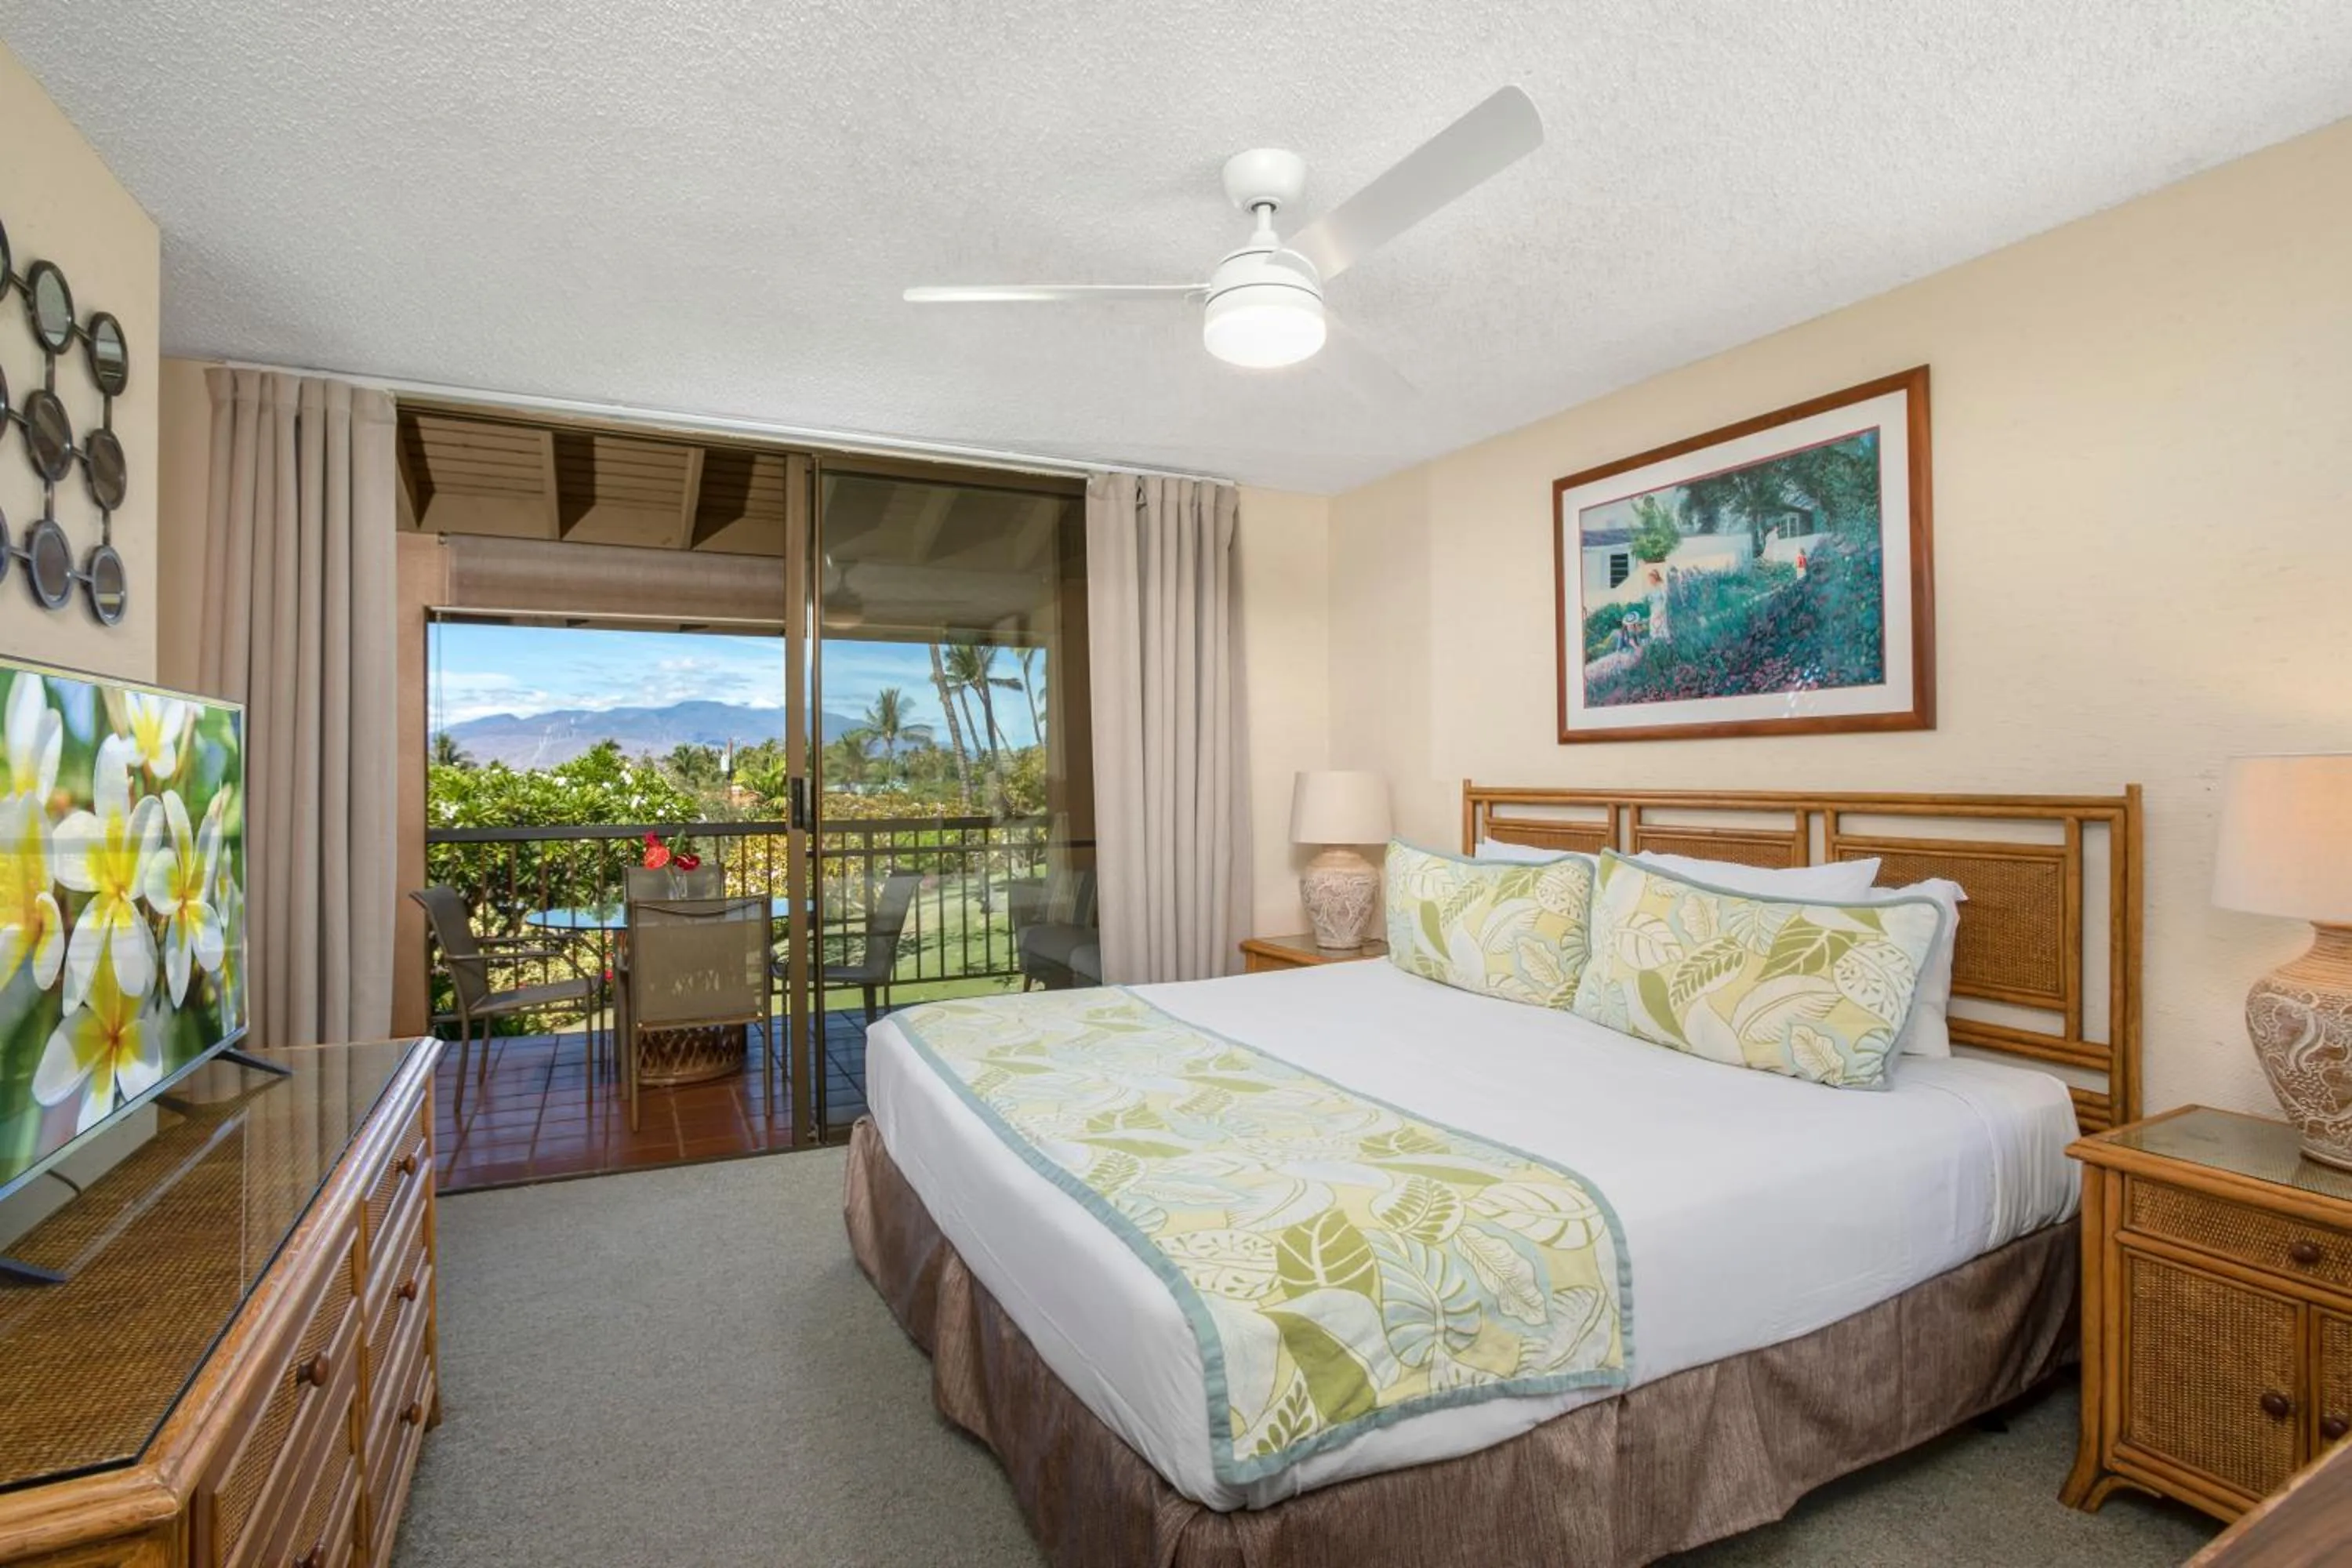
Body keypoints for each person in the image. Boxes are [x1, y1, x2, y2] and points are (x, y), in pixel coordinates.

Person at [1646, 566, 1671, 643]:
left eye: (1651, 579)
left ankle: (1667, 641)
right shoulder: (1651, 587)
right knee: (1653, 625)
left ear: (1655, 578)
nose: (1650, 581)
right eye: (1649, 579)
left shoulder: (1661, 585)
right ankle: (1655, 641)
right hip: (1654, 609)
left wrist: (1662, 610)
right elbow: (1650, 599)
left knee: (1662, 624)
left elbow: (1665, 598)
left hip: (1661, 608)